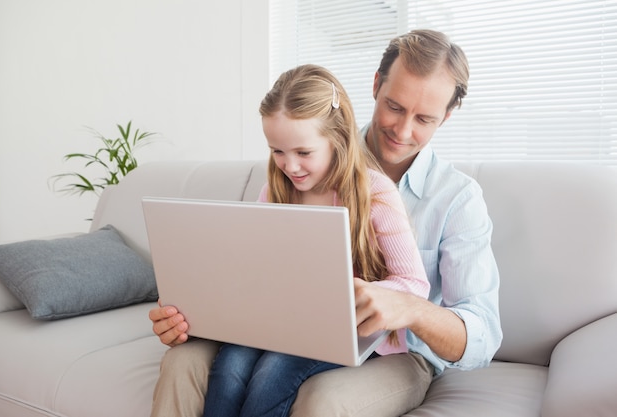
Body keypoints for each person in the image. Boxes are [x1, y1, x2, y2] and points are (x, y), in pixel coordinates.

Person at [149, 29, 503, 416]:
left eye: (424, 118)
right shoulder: (302, 159)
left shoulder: (456, 198)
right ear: (375, 86)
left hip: (394, 353)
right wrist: (196, 314)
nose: (403, 131)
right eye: (395, 107)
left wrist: (408, 307)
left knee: (318, 396)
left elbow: (482, 332)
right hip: (288, 327)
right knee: (183, 362)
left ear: (448, 115)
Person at [200, 64, 429, 417]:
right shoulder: (273, 191)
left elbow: (414, 284)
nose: (289, 166)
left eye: (303, 153)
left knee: (271, 375)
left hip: (342, 331)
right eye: (277, 151)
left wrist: (363, 296)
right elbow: (257, 268)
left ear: (337, 140)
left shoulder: (375, 193)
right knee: (228, 369)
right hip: (281, 319)